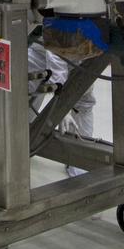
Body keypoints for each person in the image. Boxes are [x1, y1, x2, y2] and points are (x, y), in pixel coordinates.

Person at [27, 42, 96, 177]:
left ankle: (78, 162)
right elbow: (56, 52)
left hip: (81, 57)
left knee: (84, 104)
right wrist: (63, 105)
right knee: (24, 92)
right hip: (40, 55)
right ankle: (22, 143)